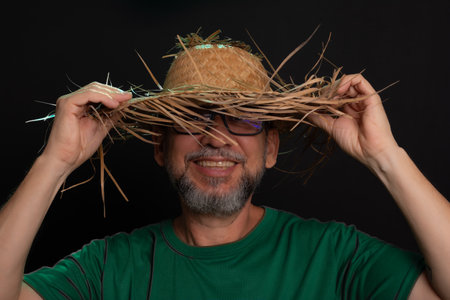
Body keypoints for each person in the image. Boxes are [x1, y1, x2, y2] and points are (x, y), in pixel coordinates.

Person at [1, 34, 449, 300]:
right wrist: (54, 162)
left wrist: (385, 156)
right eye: (194, 117)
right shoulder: (109, 268)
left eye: (242, 118)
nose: (217, 137)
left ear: (271, 149)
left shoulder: (333, 255)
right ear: (161, 146)